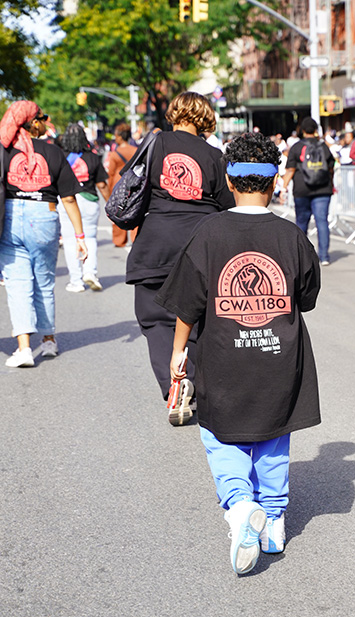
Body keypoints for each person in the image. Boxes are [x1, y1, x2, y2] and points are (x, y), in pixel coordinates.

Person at [156, 132, 321, 575]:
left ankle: (239, 504)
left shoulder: (207, 233)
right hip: (281, 358)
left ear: (229, 181)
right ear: (275, 182)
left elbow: (188, 303)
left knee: (221, 435)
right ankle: (274, 523)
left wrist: (178, 352)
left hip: (222, 357)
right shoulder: (292, 236)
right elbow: (306, 298)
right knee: (274, 433)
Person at [125, 91, 235, 424]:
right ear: (205, 119)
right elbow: (227, 205)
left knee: (154, 319)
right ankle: (194, 383)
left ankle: (174, 384)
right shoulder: (214, 155)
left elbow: (132, 186)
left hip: (156, 243)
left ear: (174, 113)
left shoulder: (155, 144)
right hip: (200, 243)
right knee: (197, 319)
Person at [0, 101, 87, 368]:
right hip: (44, 215)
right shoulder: (52, 151)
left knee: (17, 284)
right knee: (45, 282)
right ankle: (48, 341)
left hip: (10, 217)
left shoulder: (4, 151)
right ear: (34, 122)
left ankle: (24, 348)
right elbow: (69, 198)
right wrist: (80, 237)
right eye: (42, 118)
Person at [58, 124, 109, 292]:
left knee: (69, 240)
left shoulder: (60, 156)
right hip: (89, 200)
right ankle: (90, 272)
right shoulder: (92, 157)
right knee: (90, 237)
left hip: (66, 201)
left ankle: (76, 281)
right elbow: (102, 184)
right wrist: (110, 204)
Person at [282, 116, 335, 265]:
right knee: (322, 221)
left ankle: (302, 257)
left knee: (301, 222)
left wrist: (284, 187)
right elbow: (331, 167)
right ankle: (324, 256)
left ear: (302, 130)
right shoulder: (323, 147)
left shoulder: (297, 147)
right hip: (323, 189)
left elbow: (290, 170)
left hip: (302, 189)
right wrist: (331, 183)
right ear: (316, 130)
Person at [107, 123, 140, 249]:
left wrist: (109, 190)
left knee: (118, 211)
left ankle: (119, 240)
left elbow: (111, 173)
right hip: (133, 183)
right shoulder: (135, 150)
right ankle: (135, 236)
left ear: (120, 137)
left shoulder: (115, 154)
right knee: (135, 208)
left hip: (118, 183)